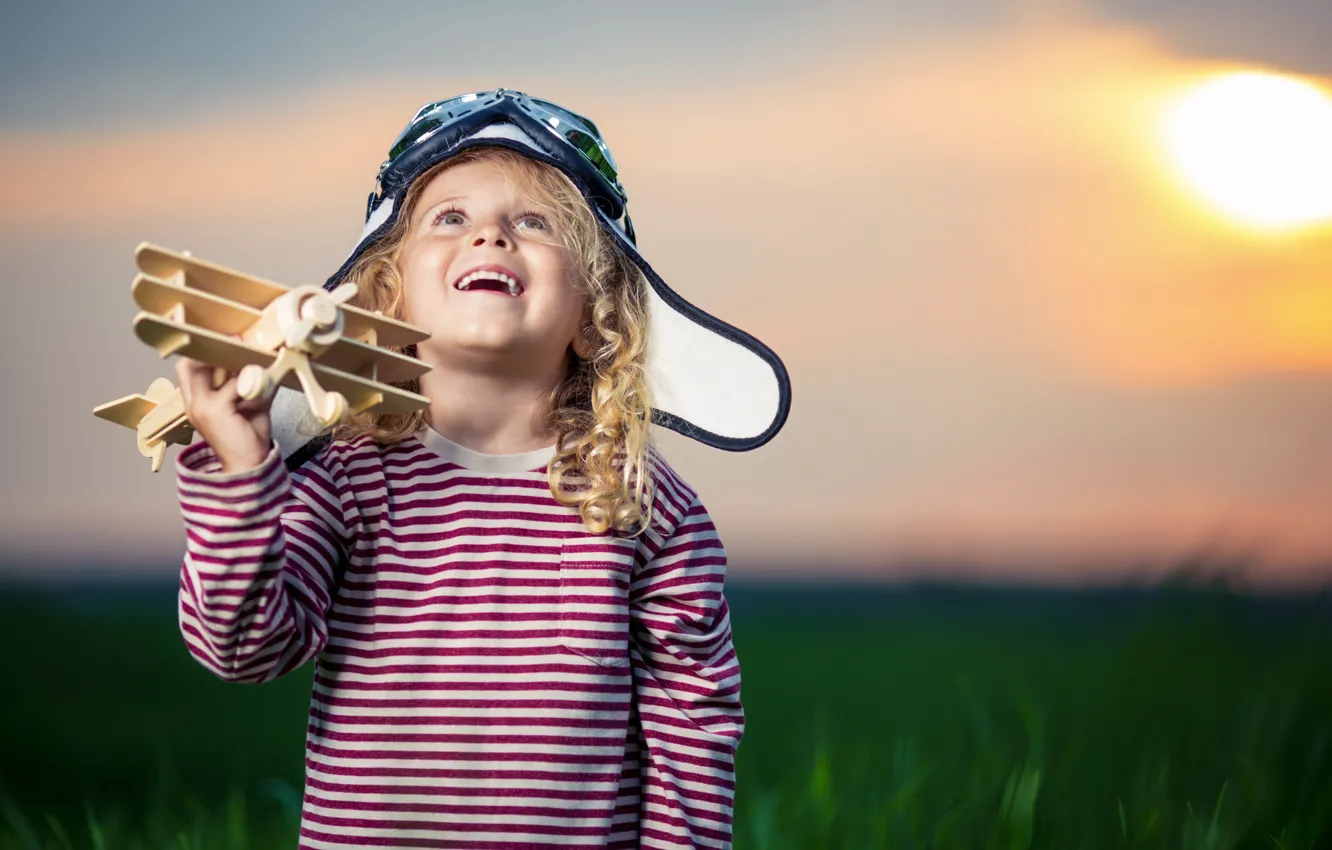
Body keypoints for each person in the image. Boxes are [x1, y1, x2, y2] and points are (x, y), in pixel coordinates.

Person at [172, 89, 790, 848]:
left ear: (597, 315)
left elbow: (693, 723)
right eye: (450, 218)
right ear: (388, 296)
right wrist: (239, 471)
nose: (491, 237)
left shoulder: (648, 508)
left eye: (534, 222)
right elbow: (242, 650)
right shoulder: (348, 483)